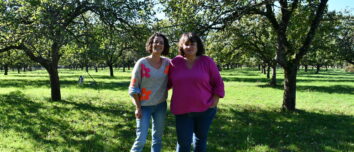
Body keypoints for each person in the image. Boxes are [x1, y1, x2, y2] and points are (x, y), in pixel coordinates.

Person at [168, 32, 225, 152]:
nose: (189, 47)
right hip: (182, 110)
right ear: (182, 46)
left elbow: (218, 83)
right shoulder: (174, 63)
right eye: (186, 44)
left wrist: (214, 101)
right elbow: (165, 83)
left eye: (192, 44)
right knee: (184, 143)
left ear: (198, 45)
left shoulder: (207, 61)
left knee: (200, 140)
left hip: (205, 109)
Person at [129, 33, 170, 152]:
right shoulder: (142, 63)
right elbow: (133, 87)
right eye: (156, 42)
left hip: (161, 106)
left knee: (157, 138)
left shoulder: (168, 63)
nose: (158, 44)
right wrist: (138, 107)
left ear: (164, 46)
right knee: (140, 139)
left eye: (161, 43)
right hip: (144, 107)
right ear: (150, 44)